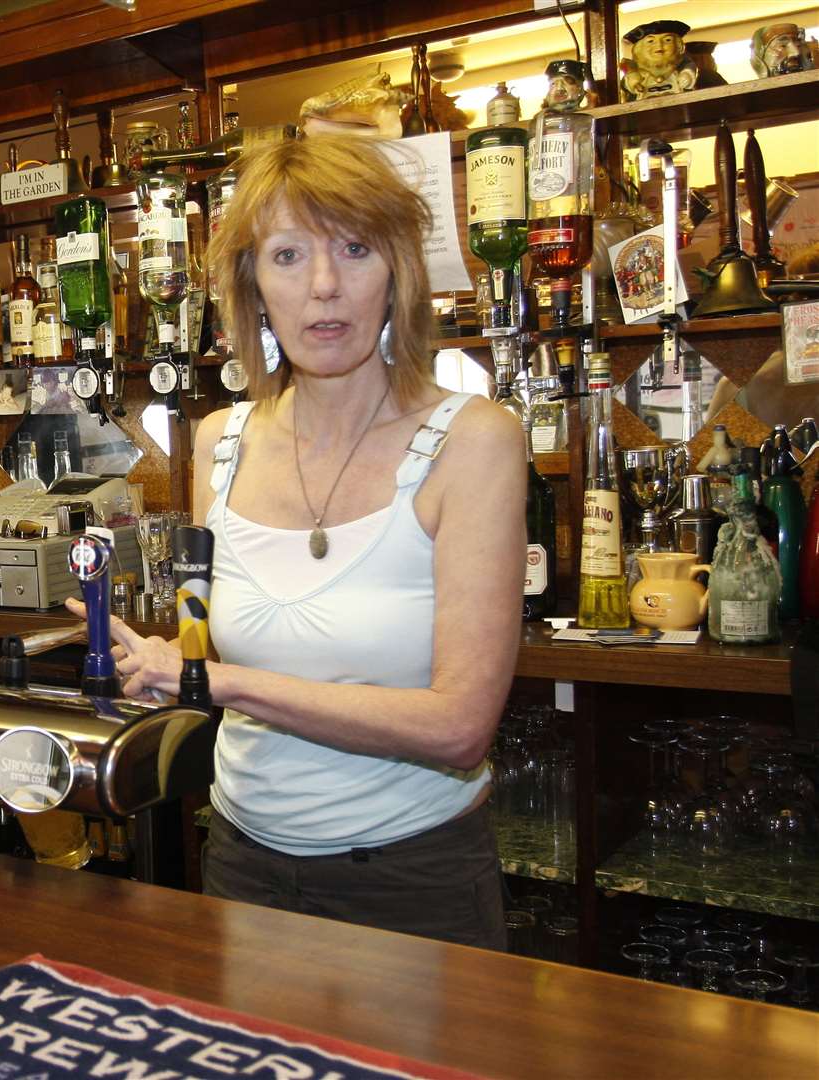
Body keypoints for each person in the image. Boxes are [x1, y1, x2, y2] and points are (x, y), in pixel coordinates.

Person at [70, 134, 523, 949]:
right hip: (240, 864)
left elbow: (459, 725)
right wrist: (161, 661)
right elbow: (234, 642)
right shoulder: (218, 443)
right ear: (251, 285)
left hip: (412, 882)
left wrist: (210, 680)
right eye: (288, 255)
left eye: (354, 249)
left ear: (398, 272)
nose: (324, 287)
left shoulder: (473, 440)